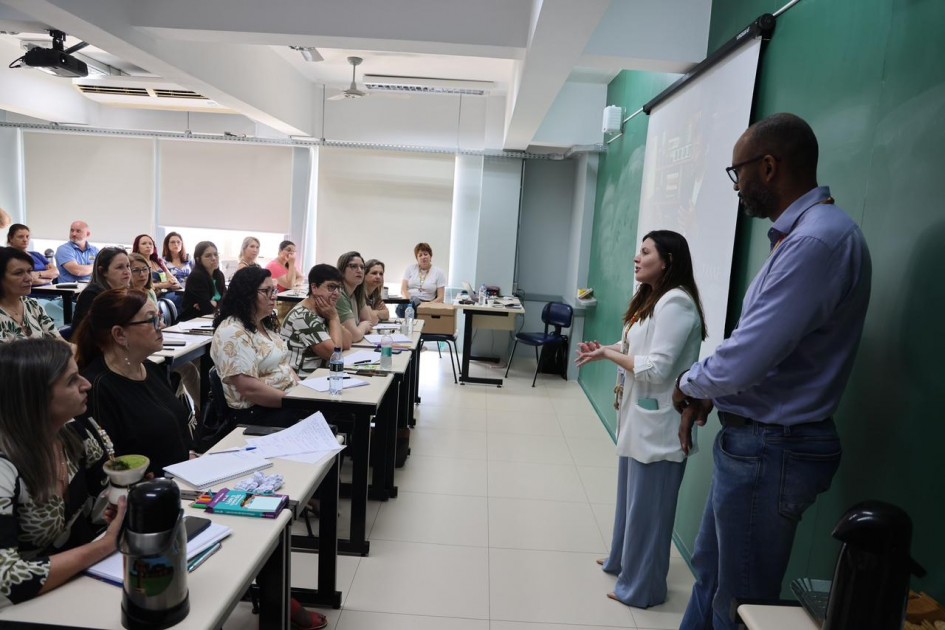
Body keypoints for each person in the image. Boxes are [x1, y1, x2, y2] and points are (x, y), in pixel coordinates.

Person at [672, 113, 872, 630]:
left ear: (767, 166)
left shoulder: (816, 242)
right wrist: (712, 391)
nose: (736, 186)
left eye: (736, 172)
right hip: (757, 443)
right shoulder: (803, 236)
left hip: (771, 449)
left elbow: (749, 354)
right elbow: (757, 350)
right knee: (713, 579)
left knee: (738, 606)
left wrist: (690, 383)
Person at [576, 230, 706, 609]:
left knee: (650, 512)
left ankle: (644, 587)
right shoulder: (652, 299)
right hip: (639, 419)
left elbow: (658, 369)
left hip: (662, 427)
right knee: (631, 500)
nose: (637, 257)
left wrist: (613, 357)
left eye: (645, 252)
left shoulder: (677, 303)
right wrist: (606, 350)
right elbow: (634, 348)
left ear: (666, 261)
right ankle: (622, 560)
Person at [0, 338, 126, 608]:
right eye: (71, 381)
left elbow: (101, 504)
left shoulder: (76, 435)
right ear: (33, 397)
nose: (86, 384)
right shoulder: (4, 466)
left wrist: (120, 507)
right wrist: (103, 546)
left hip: (74, 589)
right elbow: (5, 581)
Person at [74, 288, 193, 477]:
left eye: (160, 317)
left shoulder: (151, 368)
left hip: (183, 478)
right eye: (152, 320)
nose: (161, 325)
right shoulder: (96, 388)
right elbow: (109, 465)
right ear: (120, 334)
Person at [210, 267, 307, 427]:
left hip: (282, 402)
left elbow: (284, 366)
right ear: (246, 294)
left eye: (274, 290)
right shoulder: (233, 332)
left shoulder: (262, 324)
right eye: (266, 291)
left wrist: (302, 390)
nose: (274, 296)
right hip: (257, 413)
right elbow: (249, 389)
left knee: (332, 406)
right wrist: (295, 402)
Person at [281, 264, 348, 377]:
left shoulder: (324, 310)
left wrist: (333, 318)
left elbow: (347, 342)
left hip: (320, 377)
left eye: (339, 288)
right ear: (314, 288)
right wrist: (334, 318)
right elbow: (335, 355)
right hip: (303, 383)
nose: (337, 293)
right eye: (331, 287)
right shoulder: (303, 317)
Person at [0, 248, 62, 342]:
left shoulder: (33, 305)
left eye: (29, 271)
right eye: (18, 273)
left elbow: (60, 343)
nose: (29, 278)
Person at [71, 247, 132, 329]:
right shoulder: (91, 295)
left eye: (128, 266)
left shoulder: (126, 292)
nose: (127, 271)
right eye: (119, 267)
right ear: (103, 271)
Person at [181, 241, 227, 321]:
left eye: (215, 254)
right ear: (198, 259)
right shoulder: (197, 277)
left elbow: (227, 301)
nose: (213, 258)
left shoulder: (219, 275)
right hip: (193, 321)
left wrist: (213, 303)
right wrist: (214, 304)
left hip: (212, 319)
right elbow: (208, 309)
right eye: (208, 256)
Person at [399, 242, 446, 317]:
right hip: (409, 302)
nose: (423, 257)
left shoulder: (439, 272)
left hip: (428, 304)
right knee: (402, 308)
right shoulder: (410, 269)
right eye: (420, 255)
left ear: (430, 256)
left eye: (425, 254)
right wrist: (410, 299)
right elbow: (403, 289)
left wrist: (427, 305)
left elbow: (441, 297)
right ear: (417, 259)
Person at [335, 251, 373, 343]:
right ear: (342, 270)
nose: (359, 270)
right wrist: (363, 326)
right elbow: (354, 336)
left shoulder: (357, 292)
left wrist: (361, 327)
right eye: (353, 266)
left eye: (362, 267)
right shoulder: (338, 294)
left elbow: (368, 321)